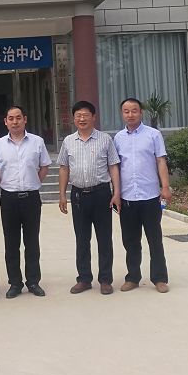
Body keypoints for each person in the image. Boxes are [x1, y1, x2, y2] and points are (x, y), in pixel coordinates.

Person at [56, 100, 121, 295]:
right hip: (78, 195)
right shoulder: (68, 141)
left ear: (94, 117)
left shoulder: (105, 139)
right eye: (78, 115)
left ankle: (105, 279)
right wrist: (62, 195)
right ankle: (84, 279)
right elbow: (64, 168)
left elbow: (113, 166)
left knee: (104, 238)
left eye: (85, 115)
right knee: (82, 238)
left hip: (101, 193)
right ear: (74, 118)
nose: (82, 119)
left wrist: (116, 193)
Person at [0, 105, 51, 298]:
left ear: (25, 119)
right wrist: (5, 185)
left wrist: (34, 182)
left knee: (32, 241)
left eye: (18, 118)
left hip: (31, 198)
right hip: (9, 198)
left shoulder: (37, 141)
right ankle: (15, 283)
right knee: (11, 243)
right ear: (5, 122)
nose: (15, 122)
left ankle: (33, 281)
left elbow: (44, 166)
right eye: (11, 118)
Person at [113, 98, 172, 293]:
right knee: (130, 241)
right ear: (122, 114)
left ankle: (159, 278)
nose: (130, 114)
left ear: (141, 113)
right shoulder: (118, 138)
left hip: (150, 196)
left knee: (155, 239)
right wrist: (116, 193)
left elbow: (161, 161)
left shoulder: (153, 135)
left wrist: (165, 187)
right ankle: (132, 277)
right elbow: (115, 167)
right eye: (126, 111)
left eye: (134, 111)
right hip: (128, 197)